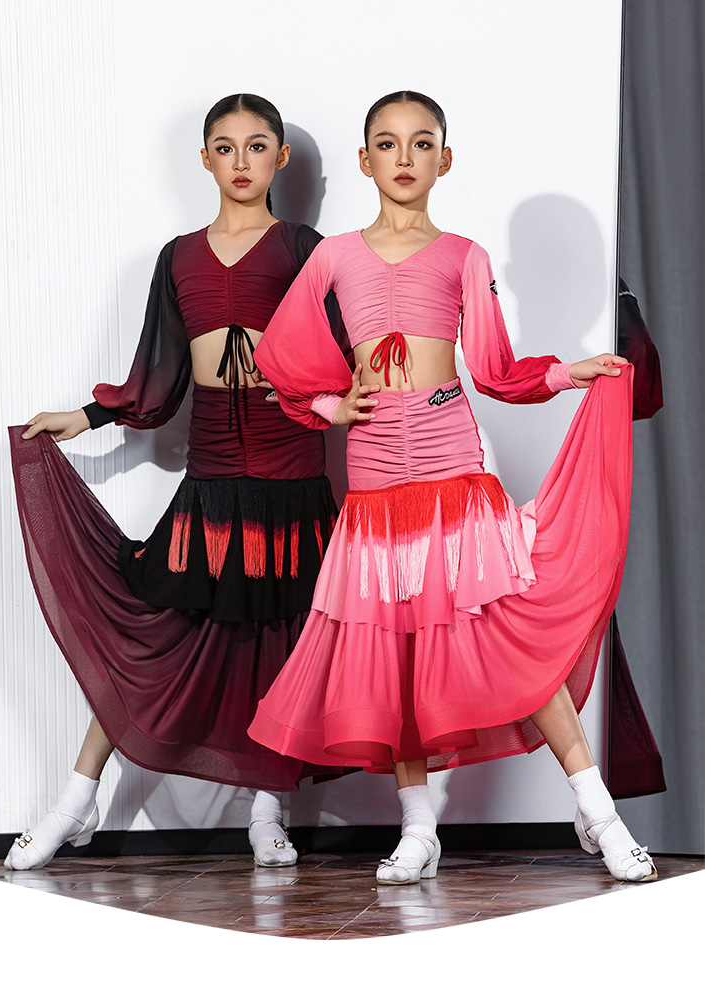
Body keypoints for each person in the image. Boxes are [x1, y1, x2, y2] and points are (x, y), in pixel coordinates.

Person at [248, 91, 657, 886]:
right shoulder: (333, 257)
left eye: (421, 142)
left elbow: (494, 370)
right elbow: (282, 360)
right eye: (387, 143)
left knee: (505, 633)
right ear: (365, 160)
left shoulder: (464, 255)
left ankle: (599, 810)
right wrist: (332, 406)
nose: (404, 158)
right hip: (374, 481)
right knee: (395, 650)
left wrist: (566, 372)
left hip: (452, 467)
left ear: (444, 158)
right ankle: (419, 825)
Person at [5, 93, 349, 872]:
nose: (241, 161)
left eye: (256, 146)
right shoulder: (178, 256)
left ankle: (268, 809)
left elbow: (341, 350)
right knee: (161, 625)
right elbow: (158, 379)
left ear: (280, 158)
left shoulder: (305, 246)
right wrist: (87, 415)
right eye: (225, 147)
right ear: (204, 159)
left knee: (283, 637)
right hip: (212, 476)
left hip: (292, 472)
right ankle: (77, 798)